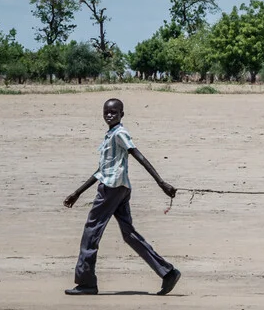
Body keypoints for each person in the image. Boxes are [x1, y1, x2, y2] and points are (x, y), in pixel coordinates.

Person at [63, 98, 182, 296]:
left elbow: (138, 156)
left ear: (122, 115)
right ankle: (167, 272)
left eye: (114, 112)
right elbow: (103, 170)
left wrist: (161, 183)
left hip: (111, 190)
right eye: (106, 112)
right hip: (120, 188)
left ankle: (86, 282)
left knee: (91, 232)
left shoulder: (120, 133)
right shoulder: (110, 135)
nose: (109, 115)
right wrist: (78, 192)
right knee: (129, 234)